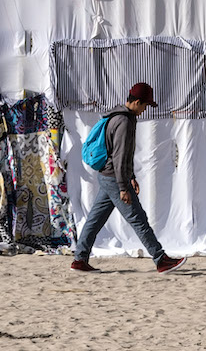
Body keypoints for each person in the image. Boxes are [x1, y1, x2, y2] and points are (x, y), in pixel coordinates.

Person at [69, 82, 184, 274]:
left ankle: (80, 260)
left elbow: (121, 154)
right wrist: (123, 186)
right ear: (137, 102)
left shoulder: (115, 115)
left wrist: (131, 177)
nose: (144, 110)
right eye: (145, 105)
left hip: (107, 177)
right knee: (138, 220)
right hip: (114, 178)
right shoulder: (125, 121)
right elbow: (120, 156)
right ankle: (160, 259)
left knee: (94, 220)